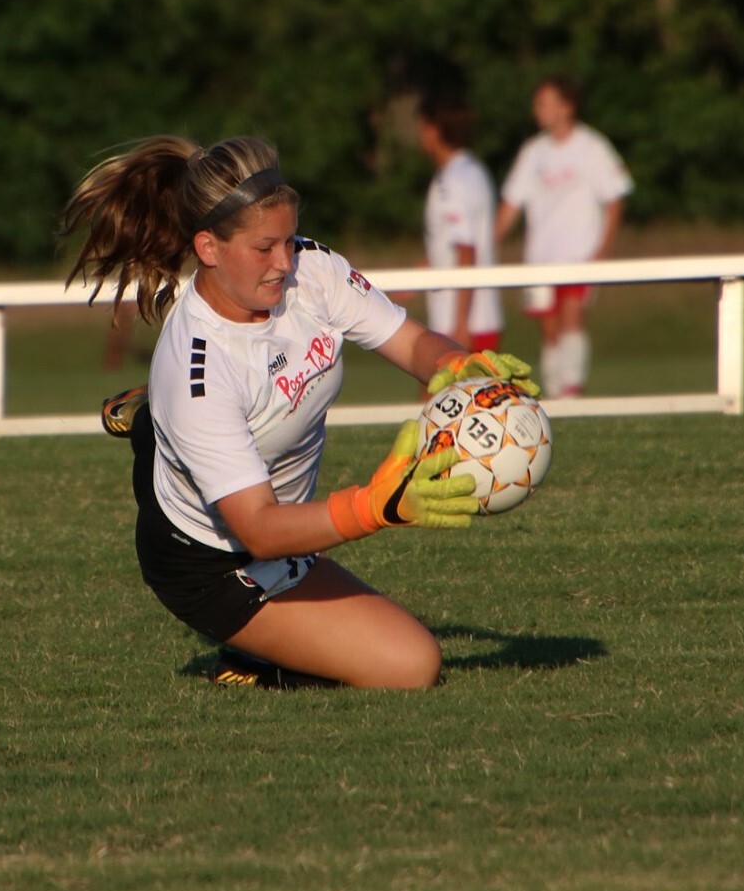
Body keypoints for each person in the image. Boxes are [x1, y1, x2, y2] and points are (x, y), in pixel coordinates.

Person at [59, 134, 535, 690]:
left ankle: (153, 425)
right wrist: (377, 507)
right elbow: (260, 530)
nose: (284, 262)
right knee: (413, 667)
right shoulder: (199, 372)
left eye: (288, 240)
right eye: (265, 248)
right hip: (212, 560)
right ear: (209, 248)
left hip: (265, 508)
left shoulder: (311, 269)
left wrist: (458, 366)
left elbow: (409, 343)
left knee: (206, 418)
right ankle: (251, 660)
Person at [495, 77, 632, 398]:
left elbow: (614, 199)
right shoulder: (533, 152)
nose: (538, 109)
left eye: (545, 102)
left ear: (567, 106)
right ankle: (555, 388)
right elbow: (511, 204)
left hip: (579, 254)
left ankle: (571, 387)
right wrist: (490, 243)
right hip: (540, 258)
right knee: (549, 327)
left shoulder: (592, 146)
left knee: (573, 316)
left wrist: (601, 251)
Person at [416, 93, 504, 354]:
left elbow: (466, 249)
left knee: (437, 394)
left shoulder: (452, 182)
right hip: (481, 316)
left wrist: (461, 323)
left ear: (434, 131)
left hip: (462, 323)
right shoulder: (474, 171)